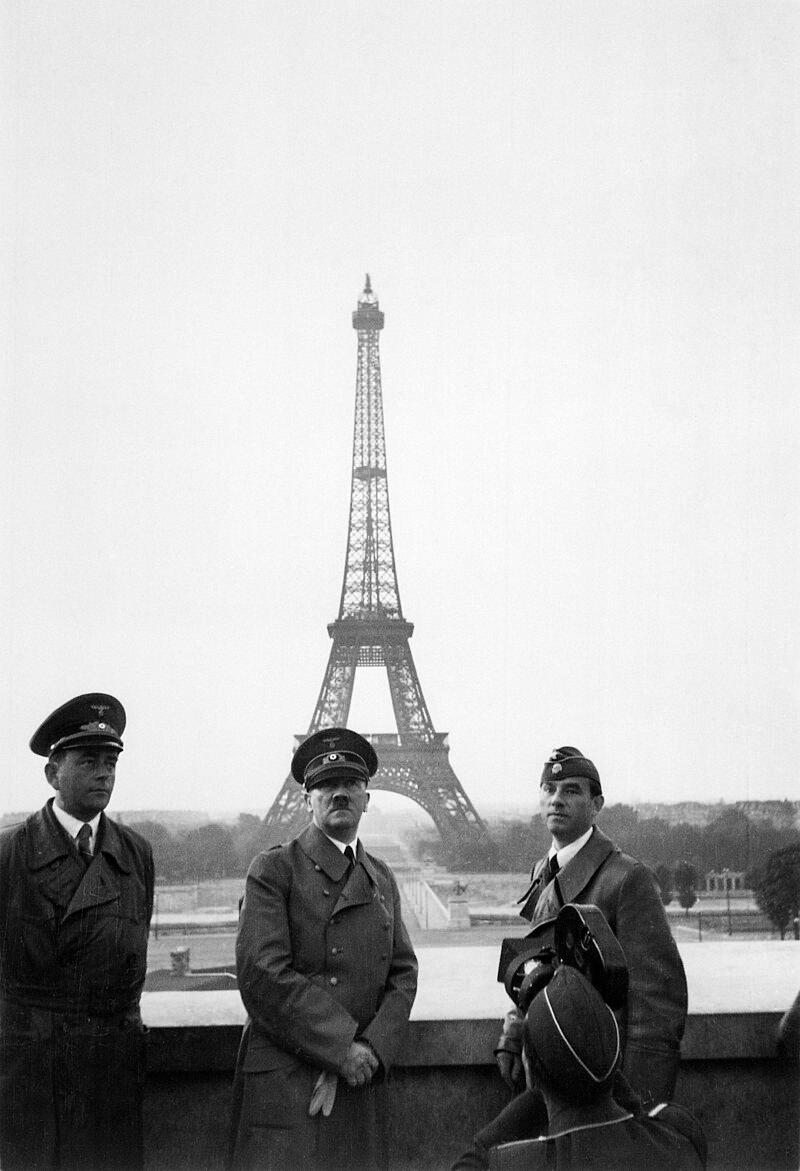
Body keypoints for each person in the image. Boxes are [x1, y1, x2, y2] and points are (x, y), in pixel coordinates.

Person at [230, 727, 418, 1171]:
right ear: (307, 798)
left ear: (367, 798)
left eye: (350, 784)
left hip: (359, 1077)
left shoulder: (381, 874)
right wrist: (340, 1047)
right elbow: (261, 973)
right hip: (291, 1079)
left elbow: (403, 972)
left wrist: (370, 1049)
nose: (339, 794)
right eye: (326, 785)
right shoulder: (273, 869)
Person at [0, 693, 154, 1170]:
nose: (105, 773)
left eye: (111, 762)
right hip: (32, 1073)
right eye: (89, 761)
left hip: (111, 1067)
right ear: (52, 773)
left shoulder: (136, 854)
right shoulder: (9, 855)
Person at [496, 746, 687, 1112]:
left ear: (596, 804)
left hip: (600, 1089)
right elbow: (536, 968)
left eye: (571, 791)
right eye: (549, 790)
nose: (557, 800)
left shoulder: (627, 878)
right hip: (548, 1074)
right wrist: (513, 1035)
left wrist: (640, 1106)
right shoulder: (543, 871)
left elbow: (656, 1006)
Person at [455, 965, 706, 1170]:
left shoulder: (513, 1164)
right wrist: (592, 1050)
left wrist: (545, 1067)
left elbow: (471, 1161)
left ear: (531, 1072)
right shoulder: (681, 1136)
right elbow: (639, 1122)